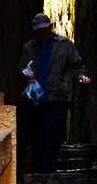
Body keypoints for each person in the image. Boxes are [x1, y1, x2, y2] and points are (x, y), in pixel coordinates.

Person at [20, 13, 90, 173]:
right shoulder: (29, 47)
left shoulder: (64, 45)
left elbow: (78, 65)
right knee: (37, 134)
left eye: (44, 29)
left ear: (50, 28)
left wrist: (82, 77)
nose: (41, 33)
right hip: (35, 98)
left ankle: (48, 169)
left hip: (58, 97)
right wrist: (27, 74)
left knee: (53, 133)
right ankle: (40, 167)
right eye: (38, 31)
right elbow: (22, 67)